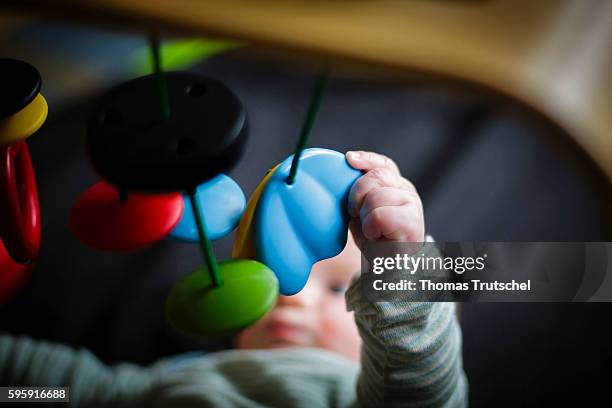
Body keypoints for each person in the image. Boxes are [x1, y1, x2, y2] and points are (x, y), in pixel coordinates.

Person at [0, 151, 467, 407]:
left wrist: (400, 257)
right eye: (272, 274)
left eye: (338, 289)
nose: (293, 297)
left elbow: (418, 372)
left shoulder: (355, 396)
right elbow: (71, 391)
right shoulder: (175, 377)